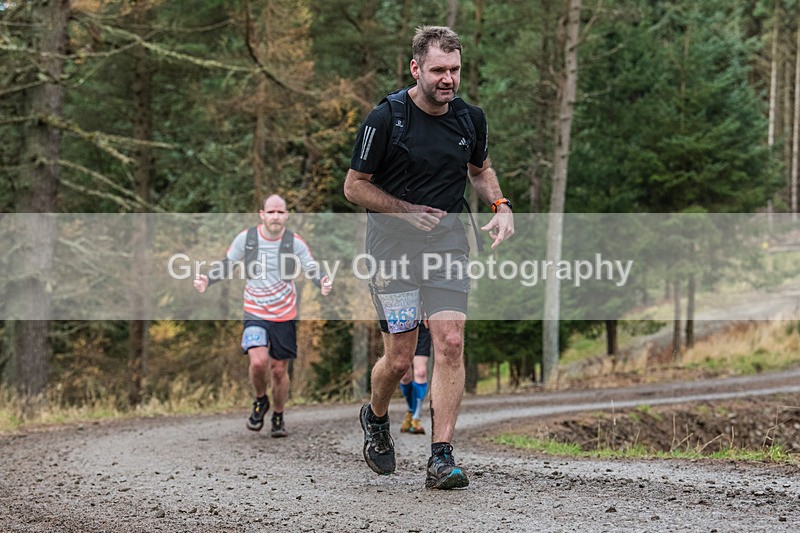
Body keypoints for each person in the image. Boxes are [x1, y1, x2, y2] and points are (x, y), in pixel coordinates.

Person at [343, 25, 514, 489]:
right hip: (391, 251)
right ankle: (376, 416)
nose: (448, 79)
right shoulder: (387, 118)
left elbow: (480, 170)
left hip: (446, 244)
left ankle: (441, 456)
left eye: (455, 70)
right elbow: (354, 185)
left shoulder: (469, 119)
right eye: (438, 69)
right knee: (399, 357)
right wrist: (404, 211)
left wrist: (500, 205)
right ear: (416, 68)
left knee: (451, 341)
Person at [193, 194, 332, 438]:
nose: (276, 217)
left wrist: (322, 281)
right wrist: (207, 279)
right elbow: (228, 263)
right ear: (262, 214)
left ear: (286, 215)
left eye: (280, 212)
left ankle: (278, 415)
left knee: (279, 370)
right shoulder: (247, 239)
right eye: (271, 212)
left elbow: (310, 265)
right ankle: (260, 400)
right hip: (254, 310)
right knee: (258, 362)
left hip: (284, 312)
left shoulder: (293, 242)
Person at [399, 321, 430, 435]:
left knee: (421, 372)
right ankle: (410, 411)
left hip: (422, 324)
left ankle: (416, 418)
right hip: (401, 324)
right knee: (405, 375)